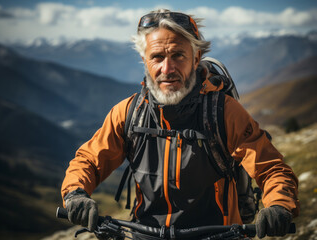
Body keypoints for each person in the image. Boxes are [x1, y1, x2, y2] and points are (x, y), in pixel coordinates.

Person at [61, 9, 299, 239]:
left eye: (178, 55)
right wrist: (76, 194)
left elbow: (271, 168)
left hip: (217, 236)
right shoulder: (128, 113)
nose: (167, 68)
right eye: (157, 57)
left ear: (196, 59)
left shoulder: (224, 112)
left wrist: (279, 204)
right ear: (144, 60)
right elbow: (89, 160)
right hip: (145, 235)